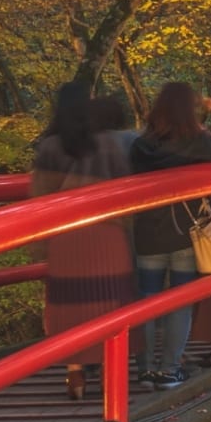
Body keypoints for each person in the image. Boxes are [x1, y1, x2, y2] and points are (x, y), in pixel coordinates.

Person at [129, 82, 211, 389]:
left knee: (147, 299)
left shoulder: (141, 146)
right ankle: (169, 369)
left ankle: (144, 369)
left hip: (146, 232)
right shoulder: (198, 143)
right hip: (186, 231)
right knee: (180, 299)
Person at [32, 83, 135, 401]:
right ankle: (109, 373)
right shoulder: (107, 145)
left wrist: (40, 242)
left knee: (70, 303)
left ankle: (75, 375)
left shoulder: (48, 147)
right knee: (107, 301)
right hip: (107, 235)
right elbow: (128, 188)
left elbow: (39, 198)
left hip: (67, 236)